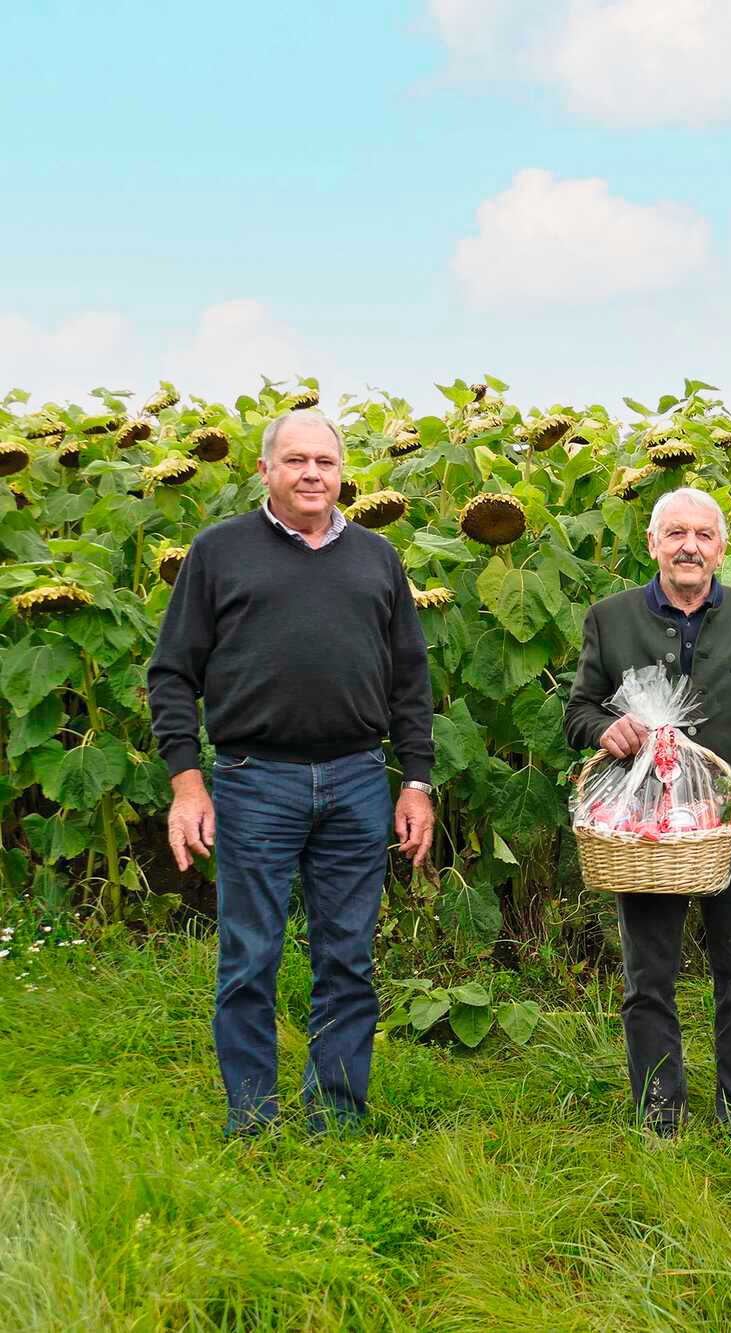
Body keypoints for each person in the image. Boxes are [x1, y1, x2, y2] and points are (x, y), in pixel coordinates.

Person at [149, 409, 436, 1137]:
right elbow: (172, 674)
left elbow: (410, 678)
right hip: (254, 779)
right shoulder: (219, 552)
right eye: (297, 460)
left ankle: (334, 1117)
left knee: (349, 956)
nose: (313, 474)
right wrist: (188, 782)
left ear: (342, 473)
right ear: (265, 470)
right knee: (250, 956)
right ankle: (251, 1118)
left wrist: (416, 780)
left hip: (357, 779)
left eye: (327, 462)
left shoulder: (376, 558)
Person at [565, 486, 731, 1143]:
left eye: (703, 535)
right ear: (652, 544)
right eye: (675, 533)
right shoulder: (610, 619)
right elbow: (577, 709)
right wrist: (604, 730)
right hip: (645, 832)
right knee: (648, 976)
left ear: (722, 549)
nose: (689, 546)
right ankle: (659, 1113)